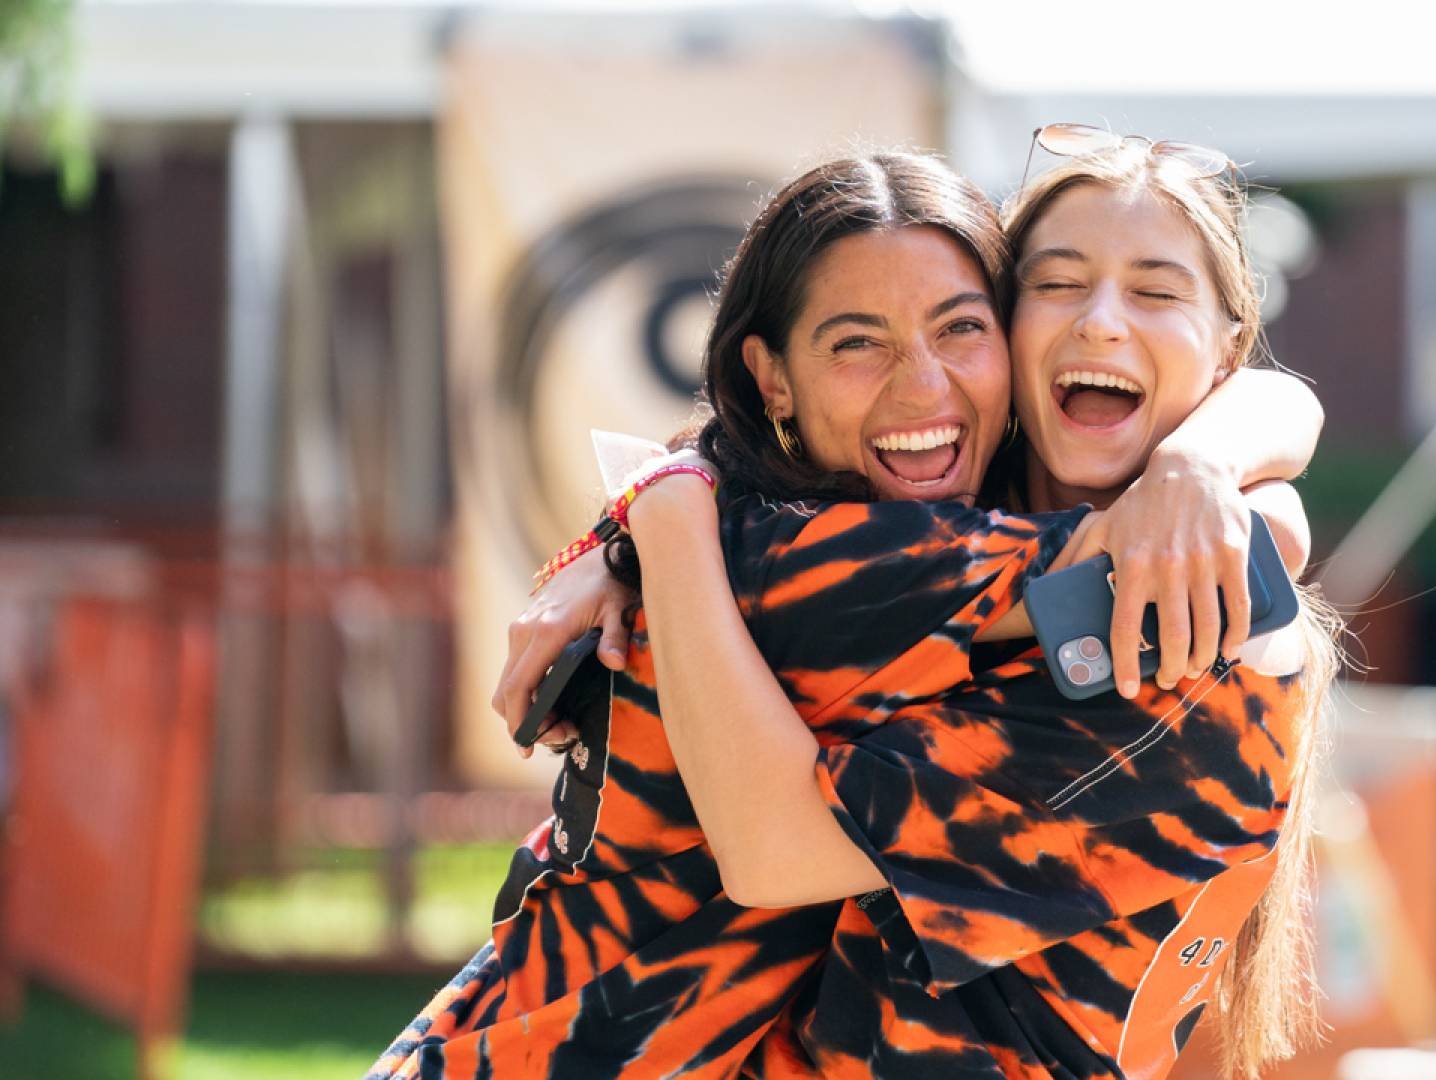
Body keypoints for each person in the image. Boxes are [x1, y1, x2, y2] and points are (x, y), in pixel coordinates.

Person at [373, 140, 1330, 1080]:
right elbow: (1255, 540)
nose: (1103, 324)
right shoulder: (825, 540)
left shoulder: (1212, 678)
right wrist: (648, 517)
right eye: (1057, 285)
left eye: (1157, 292)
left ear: (1228, 352)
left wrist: (653, 511)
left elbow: (1263, 539)